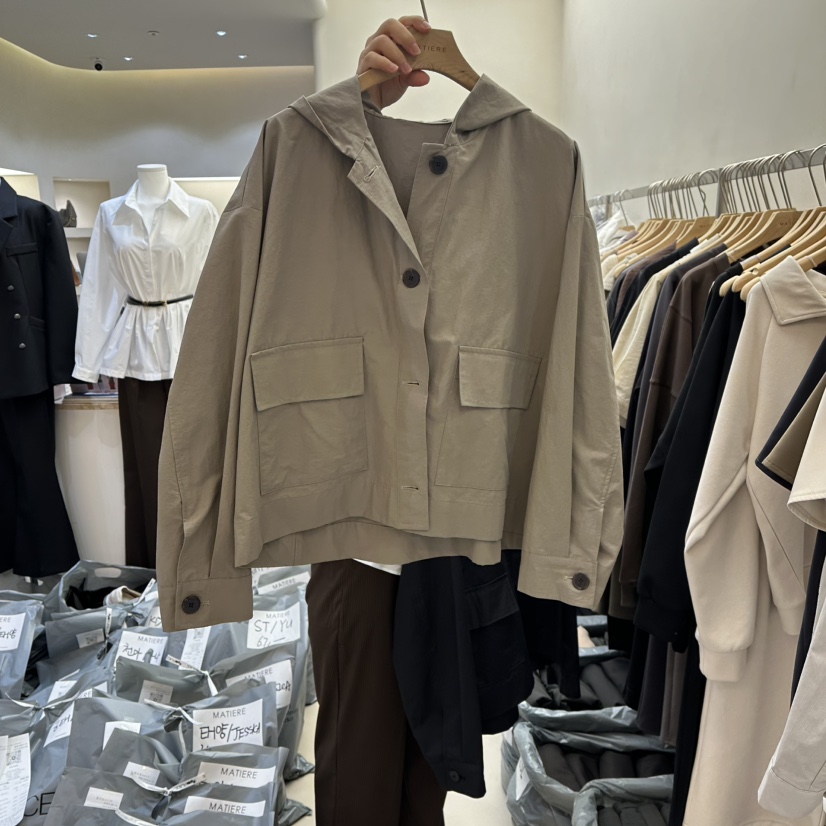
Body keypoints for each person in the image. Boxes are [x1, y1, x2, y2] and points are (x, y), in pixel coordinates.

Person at [305, 17, 450, 826]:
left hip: (453, 535)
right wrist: (362, 104)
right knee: (359, 758)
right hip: (355, 532)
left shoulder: (505, 190)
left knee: (435, 752)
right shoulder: (317, 188)